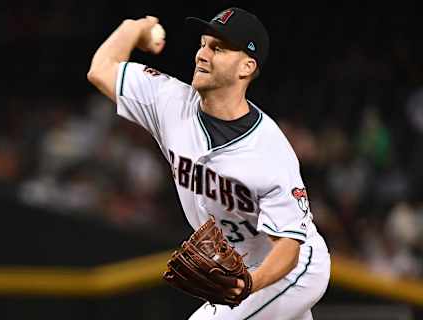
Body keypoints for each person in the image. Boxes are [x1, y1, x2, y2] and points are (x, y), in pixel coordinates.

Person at [87, 7, 331, 320]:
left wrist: (249, 284)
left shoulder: (269, 151)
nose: (203, 54)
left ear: (246, 66)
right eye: (202, 44)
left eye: (218, 48)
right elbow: (101, 69)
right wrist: (136, 27)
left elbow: (288, 248)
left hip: (292, 269)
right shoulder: (169, 102)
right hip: (243, 267)